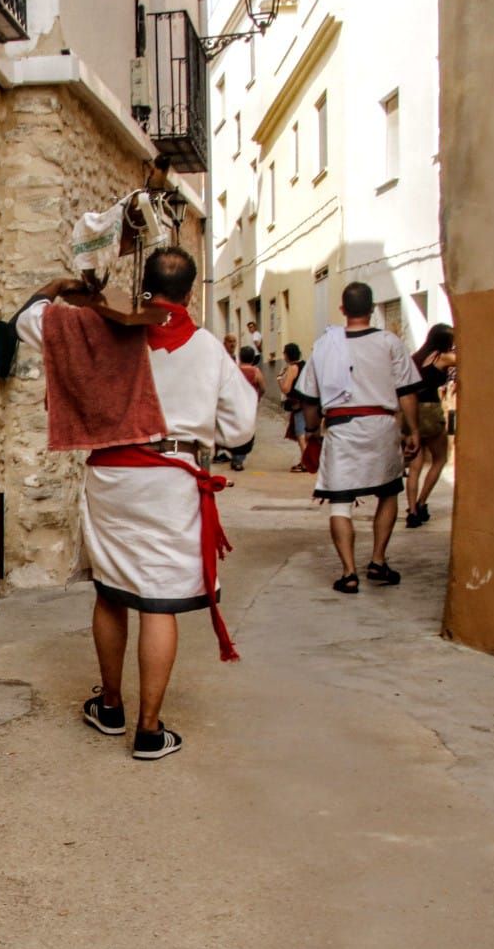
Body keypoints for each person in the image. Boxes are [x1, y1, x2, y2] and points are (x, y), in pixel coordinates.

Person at [16, 248, 258, 760]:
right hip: (173, 481)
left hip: (112, 477)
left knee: (111, 589)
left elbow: (27, 321)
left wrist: (60, 287)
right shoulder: (209, 348)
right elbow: (241, 430)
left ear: (141, 284)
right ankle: (149, 730)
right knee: (159, 600)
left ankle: (109, 706)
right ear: (191, 293)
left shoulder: (97, 330)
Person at [288, 282, 423, 593]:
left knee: (340, 502)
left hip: (341, 429)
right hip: (382, 427)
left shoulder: (325, 346)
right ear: (373, 309)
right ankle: (377, 560)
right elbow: (405, 393)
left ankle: (349, 573)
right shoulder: (389, 342)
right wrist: (412, 430)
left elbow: (309, 399)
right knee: (388, 493)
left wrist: (310, 432)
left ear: (342, 310)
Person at [405, 323, 456, 528]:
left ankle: (412, 511)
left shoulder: (415, 358)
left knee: (415, 465)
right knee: (440, 458)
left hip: (411, 412)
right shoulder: (443, 357)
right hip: (430, 411)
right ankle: (422, 501)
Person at [278, 342, 314, 472]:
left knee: (301, 434)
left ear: (287, 355)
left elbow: (286, 389)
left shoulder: (292, 368)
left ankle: (306, 463)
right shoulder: (305, 365)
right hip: (310, 403)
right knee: (307, 434)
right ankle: (307, 460)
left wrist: (279, 381)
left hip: (298, 404)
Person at [229, 346, 265, 471]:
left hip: (235, 405)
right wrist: (258, 397)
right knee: (247, 432)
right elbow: (263, 387)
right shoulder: (256, 372)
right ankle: (239, 459)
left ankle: (235, 456)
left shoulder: (234, 371)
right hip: (250, 406)